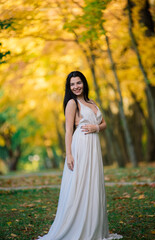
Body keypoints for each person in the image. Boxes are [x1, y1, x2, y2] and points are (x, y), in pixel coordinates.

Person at [36, 71, 123, 240]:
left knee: (93, 183)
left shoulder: (91, 102)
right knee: (81, 184)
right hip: (81, 146)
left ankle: (94, 226)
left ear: (84, 83)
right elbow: (68, 130)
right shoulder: (72, 103)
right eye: (72, 84)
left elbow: (103, 123)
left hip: (93, 146)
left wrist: (96, 128)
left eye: (79, 83)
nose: (76, 87)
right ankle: (77, 226)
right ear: (69, 87)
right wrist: (68, 154)